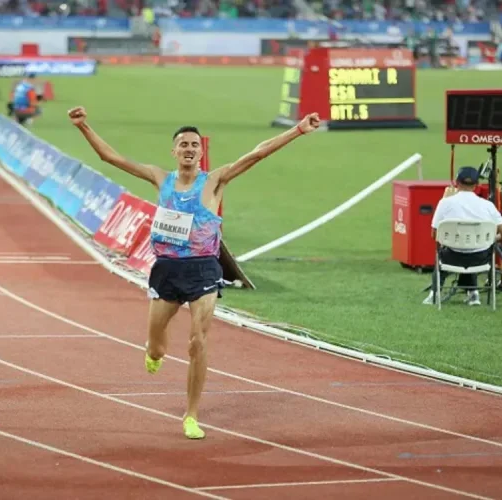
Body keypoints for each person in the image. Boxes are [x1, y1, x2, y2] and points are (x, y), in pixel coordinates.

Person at [67, 105, 320, 439]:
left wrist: (298, 130)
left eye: (194, 145)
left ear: (202, 152)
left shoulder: (214, 180)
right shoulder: (161, 178)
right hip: (167, 271)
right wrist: (84, 127)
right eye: (183, 144)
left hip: (203, 270)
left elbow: (258, 154)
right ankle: (153, 351)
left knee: (198, 341)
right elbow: (112, 158)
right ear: (174, 151)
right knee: (157, 347)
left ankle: (191, 415)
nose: (189, 149)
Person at [424, 167, 502, 306]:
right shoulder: (488, 205)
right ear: (477, 185)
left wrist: (444, 198)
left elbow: (434, 235)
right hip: (480, 258)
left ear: (457, 182)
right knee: (471, 248)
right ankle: (473, 293)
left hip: (451, 257)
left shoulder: (445, 202)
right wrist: (488, 240)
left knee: (457, 249)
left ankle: (434, 294)